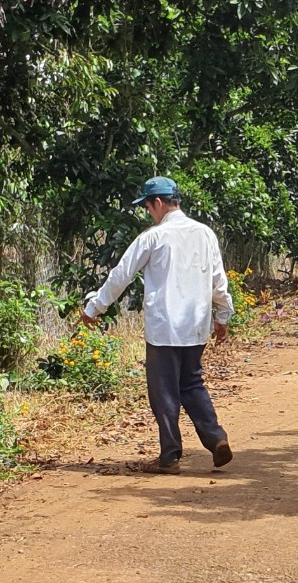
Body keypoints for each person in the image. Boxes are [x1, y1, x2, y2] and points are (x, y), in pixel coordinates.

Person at [80, 175, 236, 473]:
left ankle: (169, 456)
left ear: (159, 203)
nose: (149, 213)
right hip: (195, 325)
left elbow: (121, 274)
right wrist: (223, 316)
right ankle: (215, 437)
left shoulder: (153, 237)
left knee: (163, 390)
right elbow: (219, 279)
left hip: (164, 327)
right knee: (191, 384)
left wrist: (94, 307)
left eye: (149, 207)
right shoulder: (205, 234)